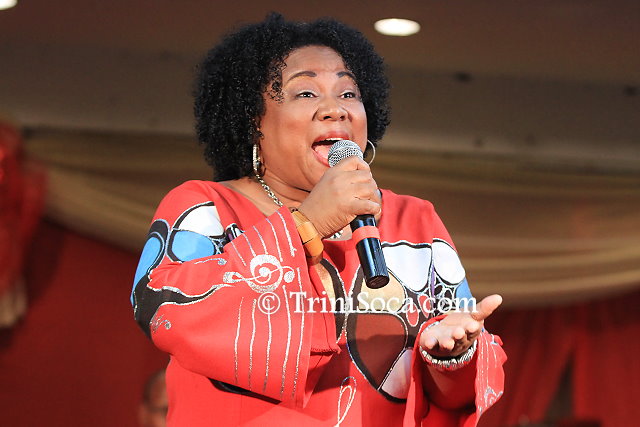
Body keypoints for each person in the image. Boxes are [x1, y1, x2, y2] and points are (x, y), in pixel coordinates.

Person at [131, 13, 506, 426]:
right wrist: (307, 224)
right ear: (253, 120)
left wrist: (451, 356)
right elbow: (167, 311)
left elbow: (455, 392)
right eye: (305, 93)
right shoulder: (206, 208)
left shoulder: (415, 221)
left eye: (348, 93)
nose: (335, 110)